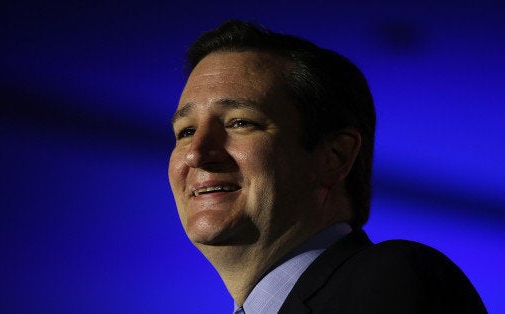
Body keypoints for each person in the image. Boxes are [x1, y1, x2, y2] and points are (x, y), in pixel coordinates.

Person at [167, 20, 486, 313]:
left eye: (240, 122)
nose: (197, 153)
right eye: (186, 131)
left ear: (334, 156)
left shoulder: (391, 281)